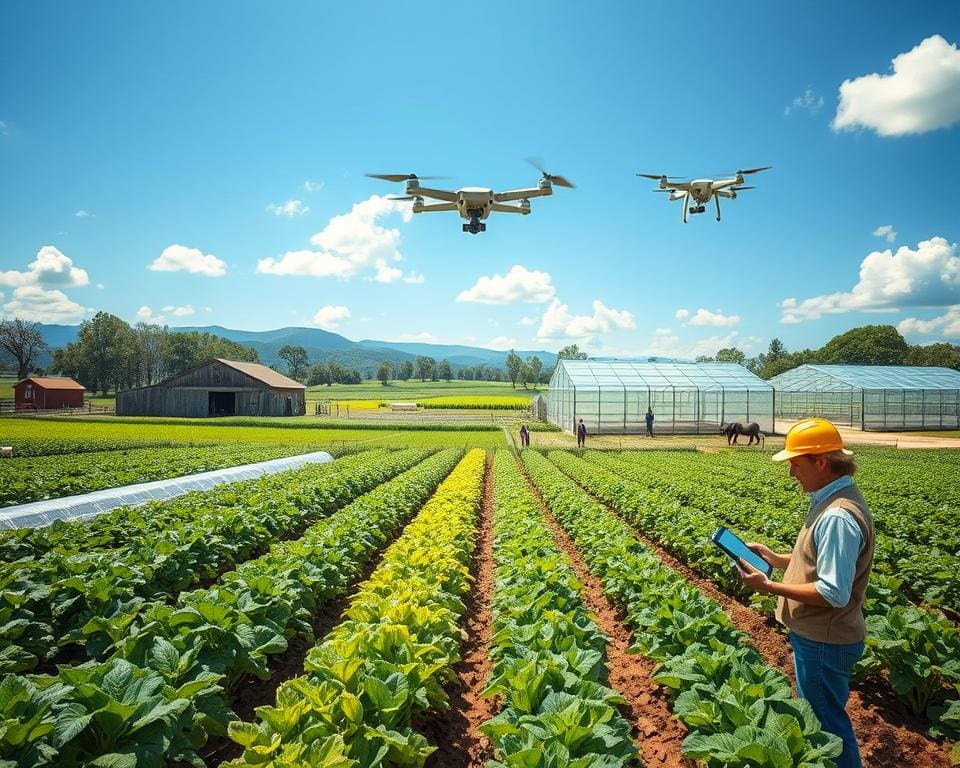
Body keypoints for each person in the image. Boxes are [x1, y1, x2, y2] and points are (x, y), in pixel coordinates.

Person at [736, 418, 874, 768]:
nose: (791, 472)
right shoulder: (833, 500)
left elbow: (832, 592)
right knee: (823, 719)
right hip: (822, 638)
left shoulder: (837, 516)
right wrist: (776, 558)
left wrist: (767, 586)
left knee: (828, 728)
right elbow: (819, 563)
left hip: (824, 642)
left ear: (821, 462)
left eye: (796, 464)